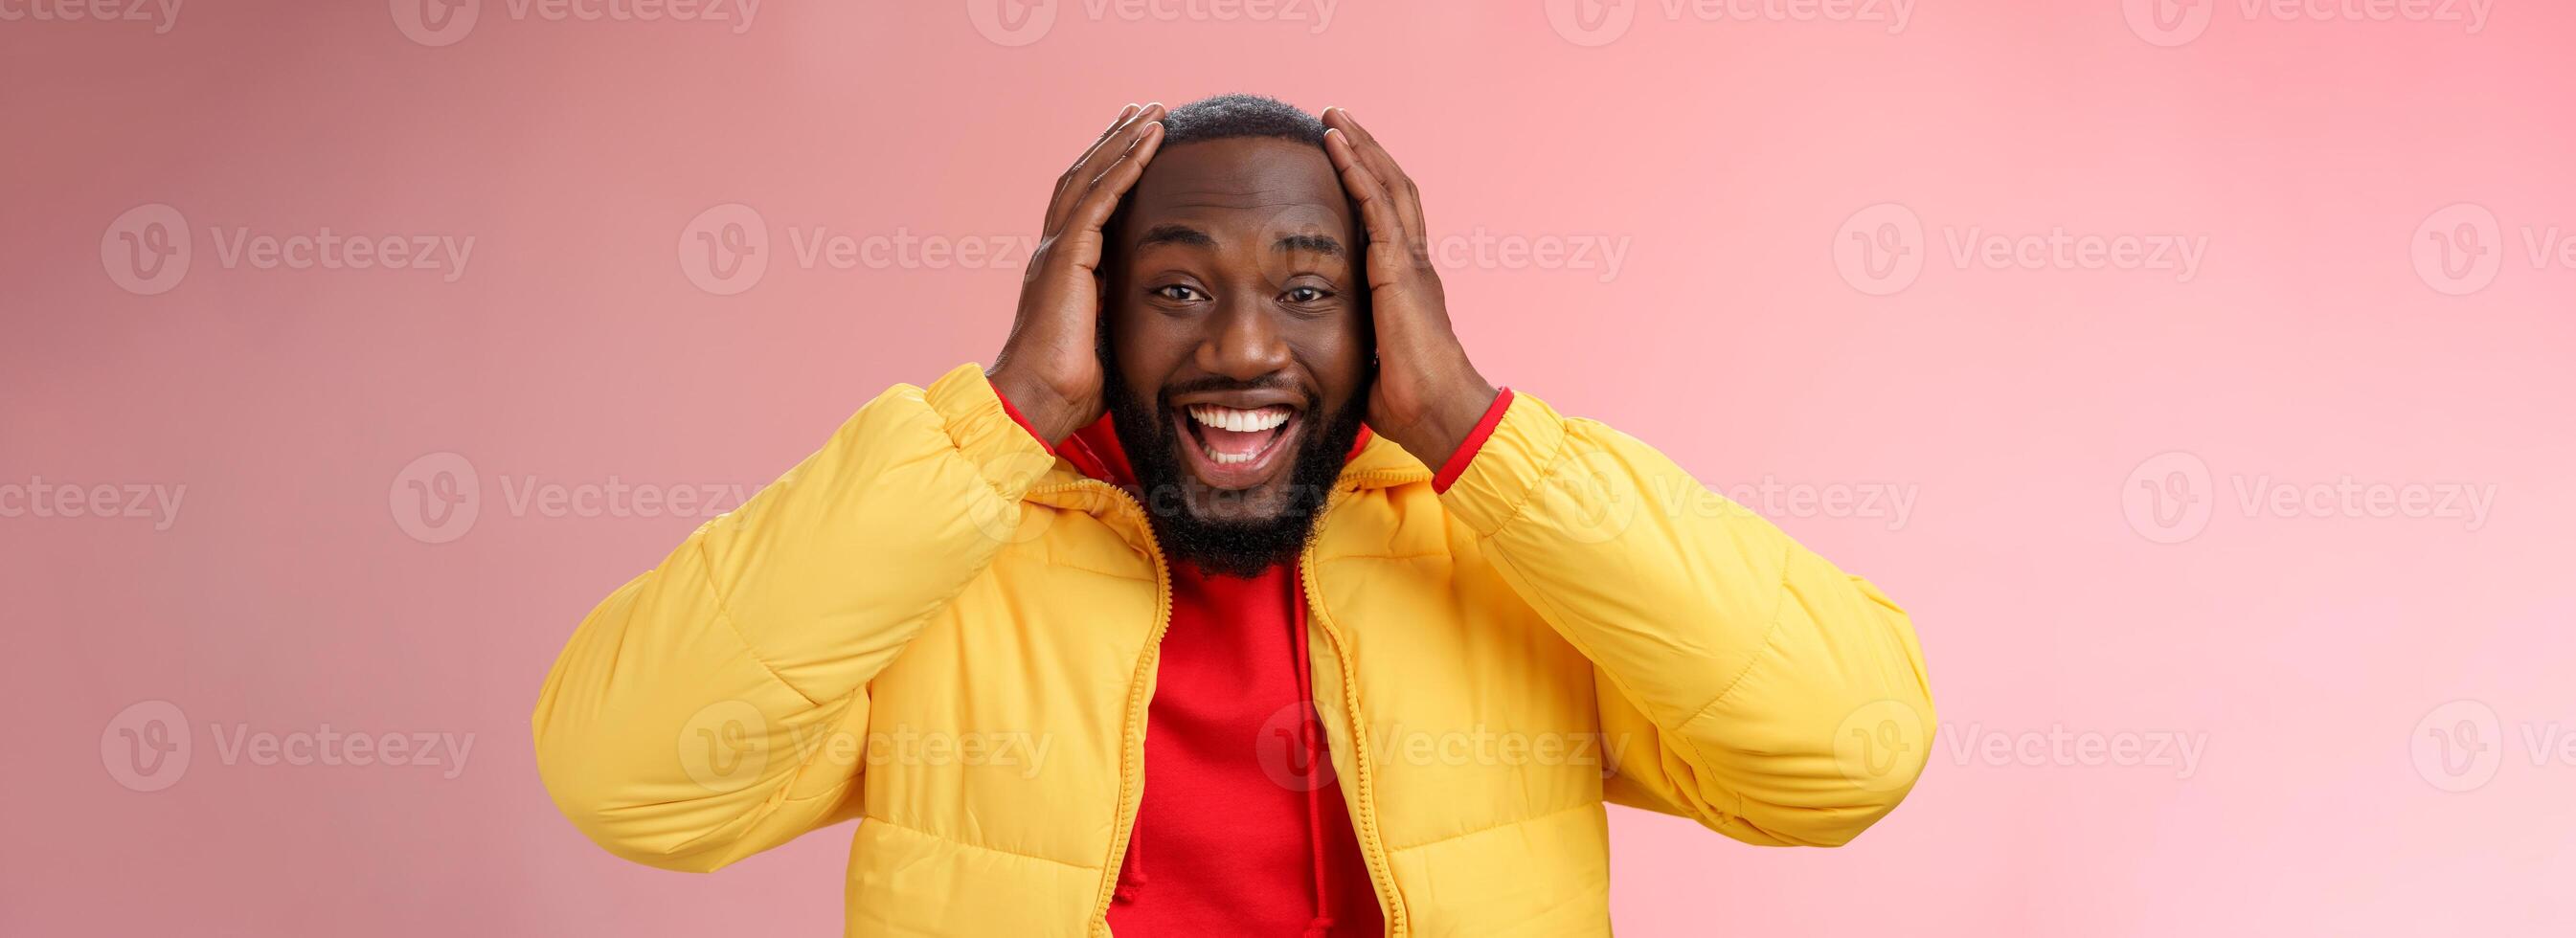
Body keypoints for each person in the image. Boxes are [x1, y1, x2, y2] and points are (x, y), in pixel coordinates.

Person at [533, 94, 1935, 937]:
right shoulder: (952, 551)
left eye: (1309, 291)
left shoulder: (1498, 547)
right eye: (1178, 288)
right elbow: (629, 777)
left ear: (1390, 316)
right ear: (1088, 304)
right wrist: (1003, 413)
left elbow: (1845, 751)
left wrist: (1468, 430)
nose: (1243, 351)